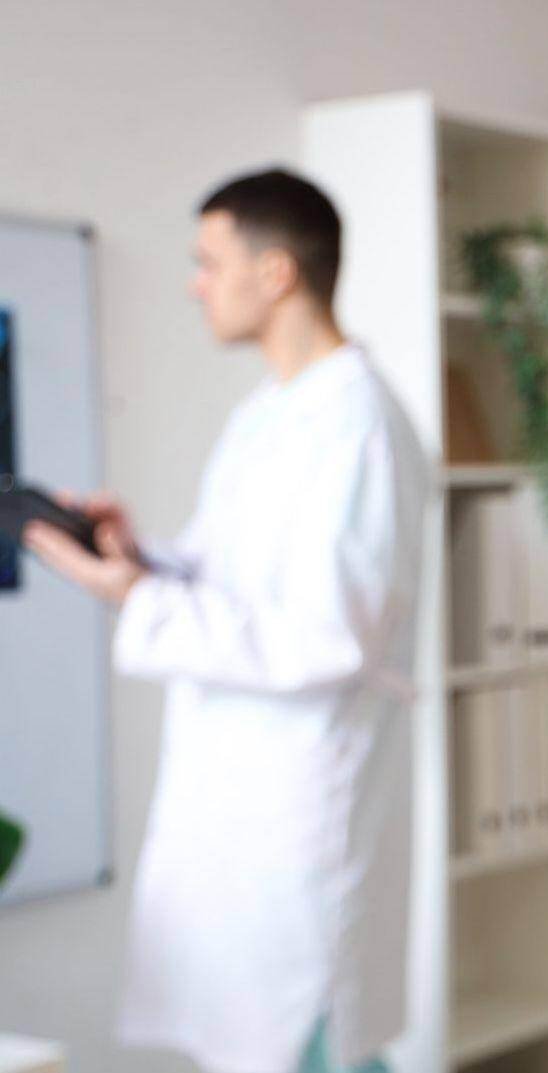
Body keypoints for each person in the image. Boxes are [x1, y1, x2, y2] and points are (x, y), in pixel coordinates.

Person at [24, 168, 427, 1073]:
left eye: (209, 262)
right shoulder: (267, 414)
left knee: (310, 1038)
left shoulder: (358, 424)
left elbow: (329, 635)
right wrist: (143, 558)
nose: (194, 284)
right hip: (239, 805)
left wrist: (137, 597)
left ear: (275, 272)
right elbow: (238, 579)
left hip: (303, 809)